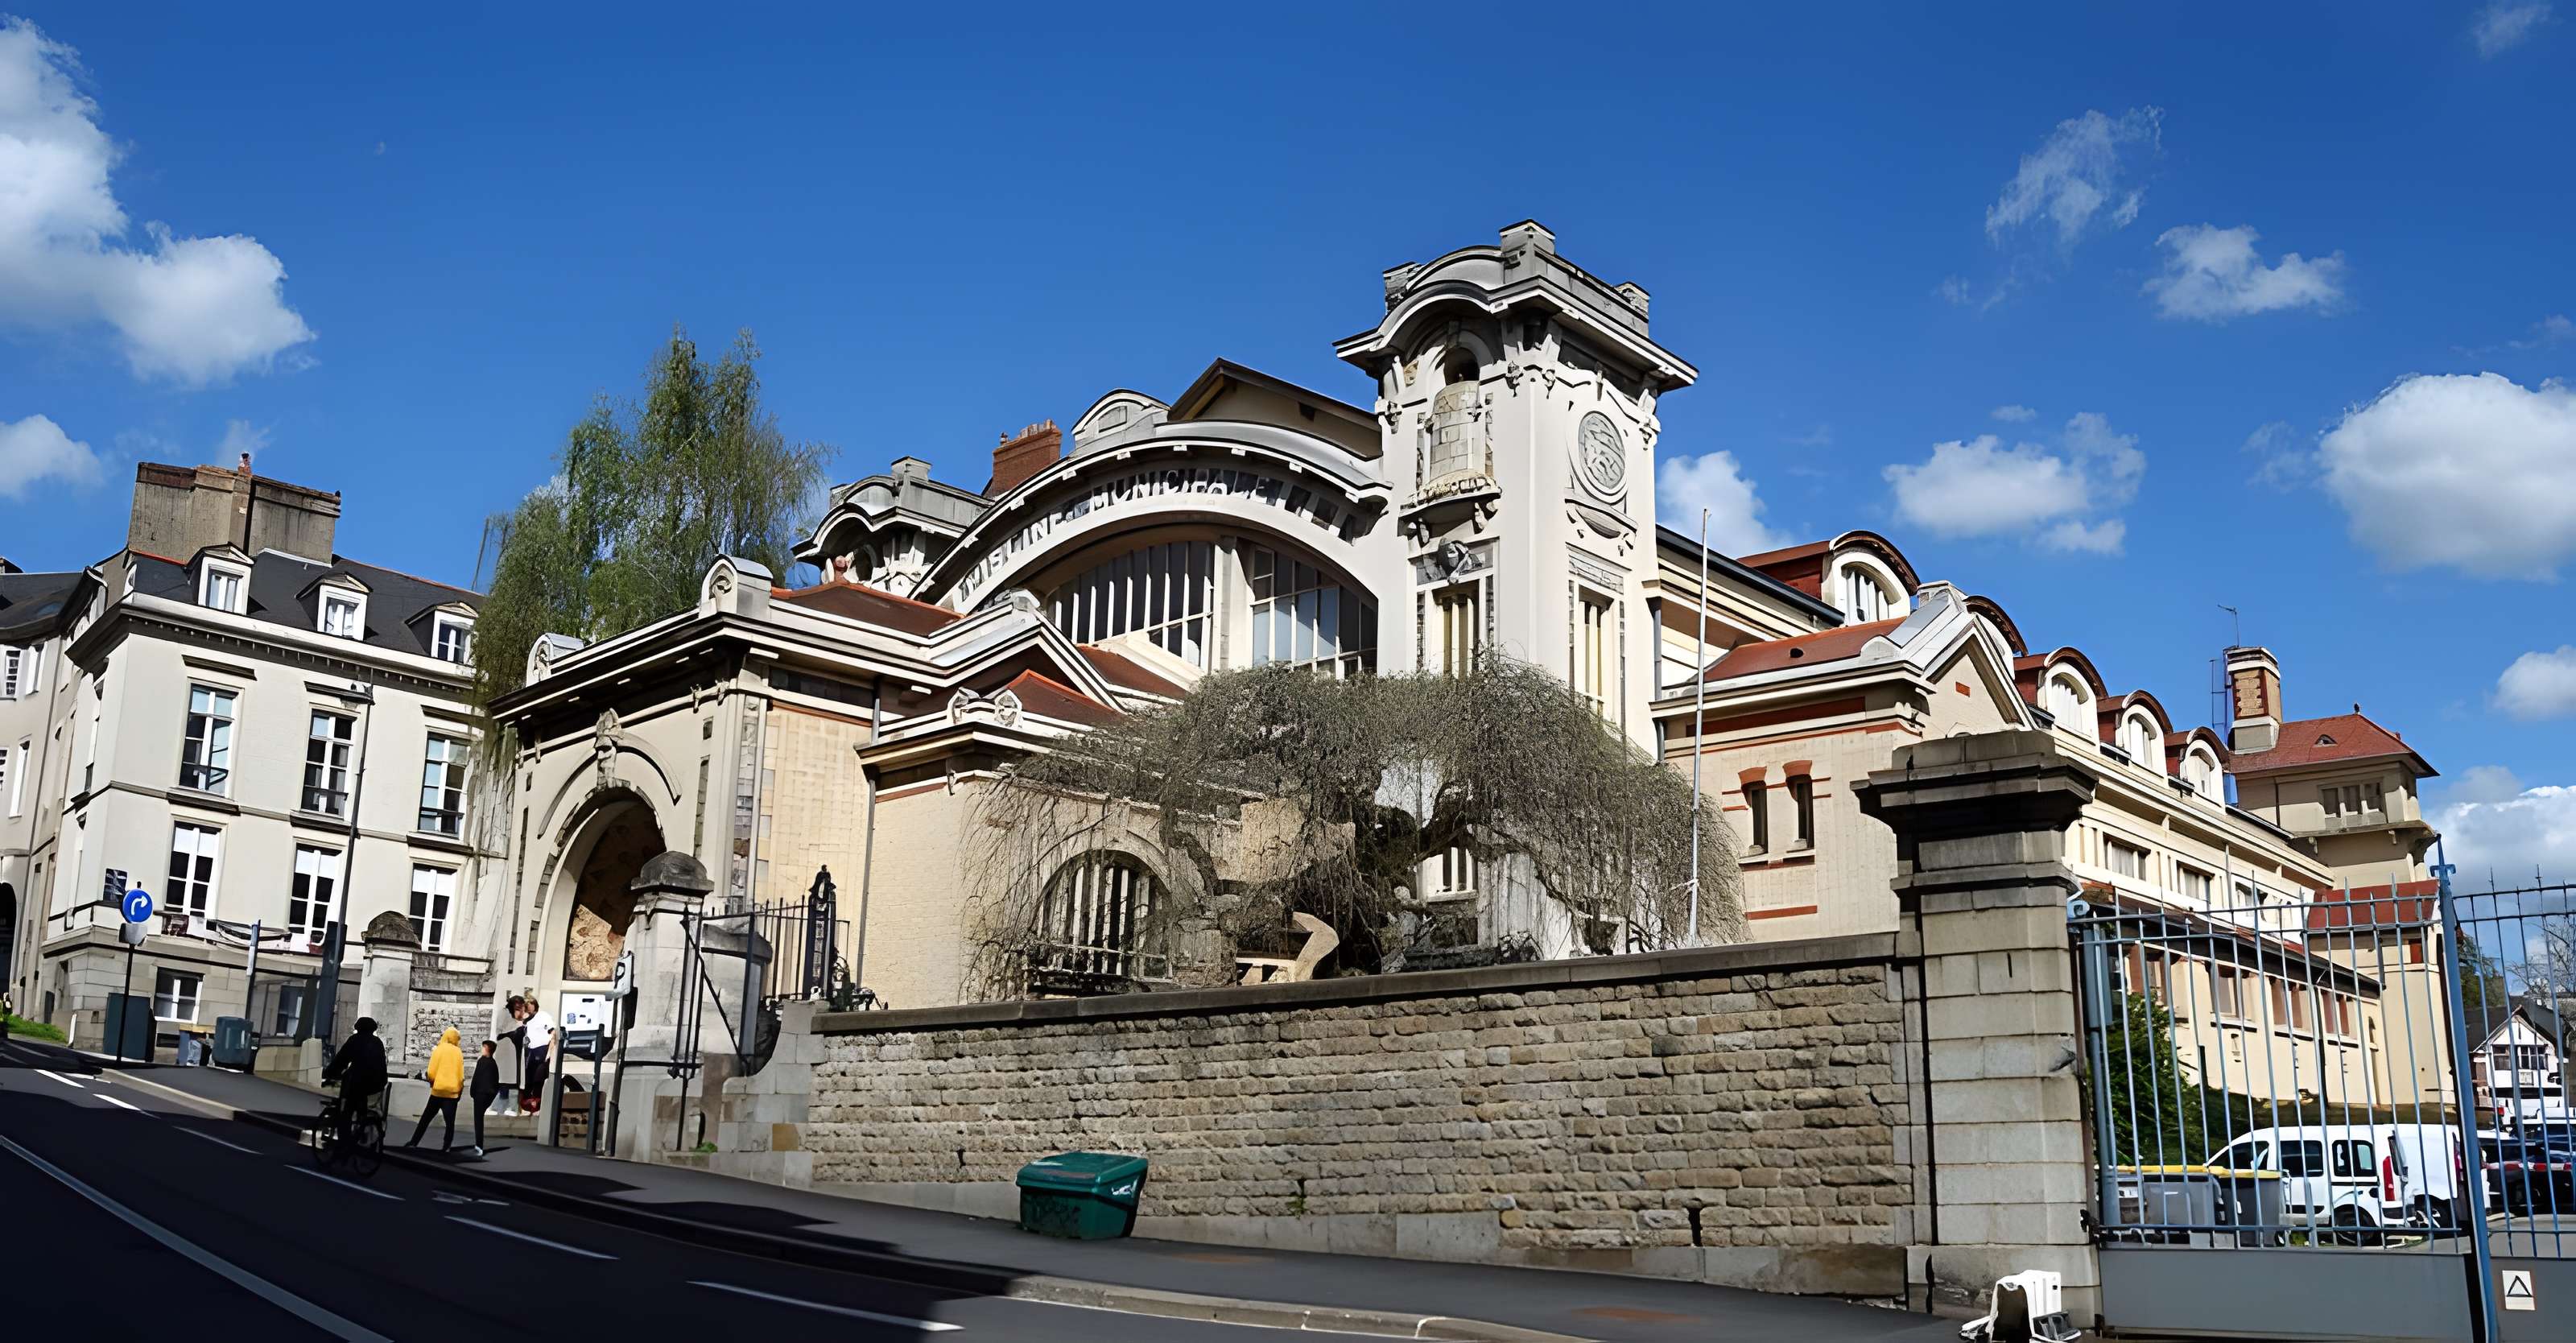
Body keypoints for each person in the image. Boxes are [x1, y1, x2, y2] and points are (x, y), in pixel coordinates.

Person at [319, 1017, 389, 1142]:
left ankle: (344, 1142)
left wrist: (329, 1073)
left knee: (347, 1111)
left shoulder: (355, 1040)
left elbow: (341, 1060)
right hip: (377, 1082)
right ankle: (361, 1126)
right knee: (361, 1100)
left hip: (359, 1082)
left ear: (358, 1028)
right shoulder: (377, 1042)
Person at [405, 1027, 465, 1151]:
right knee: (450, 1123)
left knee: (426, 1119)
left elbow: (431, 1072)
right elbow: (461, 1075)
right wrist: (459, 1090)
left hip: (438, 1091)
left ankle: (414, 1142)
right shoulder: (458, 1052)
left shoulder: (438, 1050)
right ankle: (446, 1146)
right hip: (452, 1093)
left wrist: (432, 1083)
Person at [516, 998, 555, 1115]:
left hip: (541, 1049)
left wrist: (550, 1052)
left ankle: (537, 1103)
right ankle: (527, 1104)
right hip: (529, 1050)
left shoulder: (543, 1016)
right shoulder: (526, 1020)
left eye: (529, 1005)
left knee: (538, 1077)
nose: (528, 1007)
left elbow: (552, 1032)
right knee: (528, 1077)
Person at [467, 1039, 500, 1157]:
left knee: (478, 1120)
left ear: (487, 1049)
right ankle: (478, 1145)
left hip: (481, 1095)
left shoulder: (486, 1062)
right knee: (478, 1120)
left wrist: (474, 1092)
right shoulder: (490, 1063)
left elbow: (478, 1078)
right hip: (482, 1095)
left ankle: (479, 1146)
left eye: (483, 1047)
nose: (481, 1049)